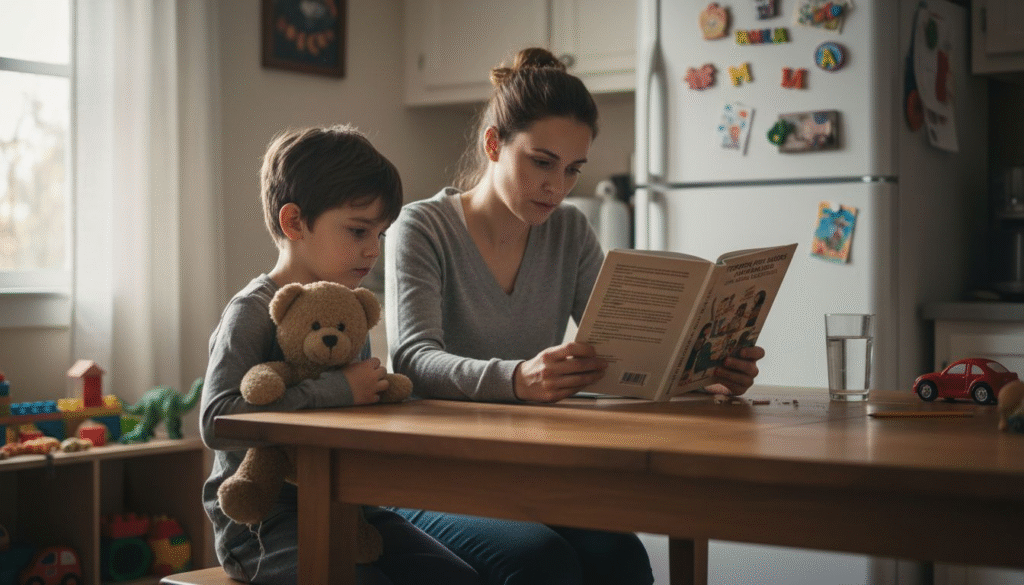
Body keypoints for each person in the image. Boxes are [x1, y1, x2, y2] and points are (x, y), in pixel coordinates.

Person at [384, 48, 765, 585]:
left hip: (529, 468)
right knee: (542, 564)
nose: (558, 187)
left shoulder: (569, 232)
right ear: (493, 143)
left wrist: (705, 372)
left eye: (572, 169)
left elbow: (626, 352)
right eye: (542, 163)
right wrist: (519, 379)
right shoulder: (420, 228)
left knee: (624, 560)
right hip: (430, 472)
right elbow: (414, 360)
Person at [199, 125, 480, 585]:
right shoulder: (251, 311)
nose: (373, 249)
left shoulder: (351, 309)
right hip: (262, 520)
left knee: (457, 579)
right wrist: (338, 389)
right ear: (294, 223)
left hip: (350, 507)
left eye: (381, 234)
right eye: (357, 230)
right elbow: (216, 421)